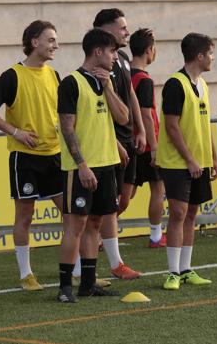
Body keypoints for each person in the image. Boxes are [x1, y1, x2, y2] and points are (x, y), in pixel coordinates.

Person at [0, 20, 64, 291]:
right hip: (25, 157)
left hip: (55, 154)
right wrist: (15, 132)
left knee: (71, 214)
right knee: (25, 216)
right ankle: (26, 273)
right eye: (50, 40)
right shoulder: (13, 75)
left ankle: (73, 270)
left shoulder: (54, 74)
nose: (55, 45)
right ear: (34, 42)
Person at [57, 28, 129, 303]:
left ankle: (88, 284)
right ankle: (65, 286)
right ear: (97, 52)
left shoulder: (105, 82)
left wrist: (109, 87)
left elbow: (123, 118)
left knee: (95, 223)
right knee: (76, 225)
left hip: (106, 164)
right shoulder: (71, 83)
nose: (115, 57)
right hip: (82, 167)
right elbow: (68, 128)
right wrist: (82, 165)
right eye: (112, 51)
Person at [157, 33, 217, 291]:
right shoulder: (175, 84)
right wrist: (191, 159)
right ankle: (172, 272)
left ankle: (186, 269)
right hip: (177, 163)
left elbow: (205, 125)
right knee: (178, 213)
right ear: (199, 56)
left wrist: (213, 158)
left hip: (200, 162)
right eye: (211, 53)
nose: (213, 58)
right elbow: (171, 127)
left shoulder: (203, 85)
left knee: (192, 214)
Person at [91, 8, 145, 279]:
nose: (127, 32)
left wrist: (141, 129)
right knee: (106, 206)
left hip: (128, 135)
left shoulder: (121, 58)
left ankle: (100, 245)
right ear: (105, 29)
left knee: (124, 199)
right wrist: (113, 142)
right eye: (122, 27)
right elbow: (99, 109)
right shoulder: (98, 64)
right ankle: (114, 263)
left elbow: (132, 95)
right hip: (109, 142)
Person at [129, 28, 166, 248]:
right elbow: (146, 114)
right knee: (157, 188)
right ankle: (155, 235)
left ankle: (100, 234)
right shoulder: (144, 79)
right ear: (149, 50)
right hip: (144, 143)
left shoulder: (124, 74)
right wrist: (154, 146)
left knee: (127, 191)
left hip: (128, 140)